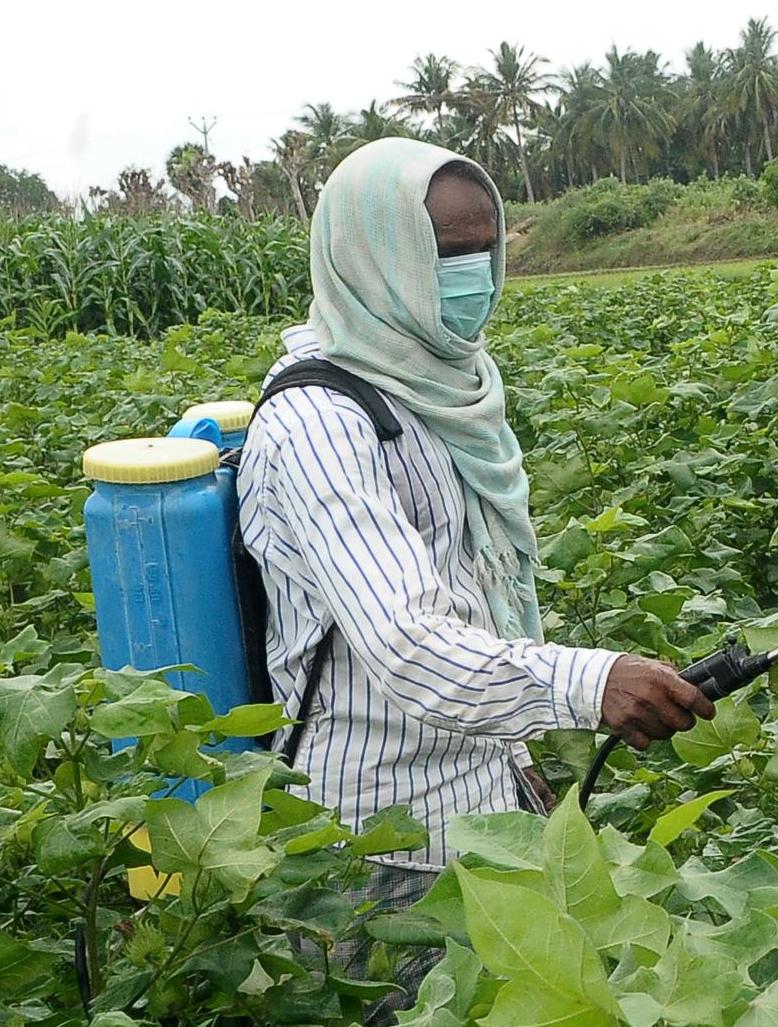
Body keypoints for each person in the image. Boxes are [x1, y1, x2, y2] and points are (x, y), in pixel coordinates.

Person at [235, 137, 714, 1013]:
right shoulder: (317, 424)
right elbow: (411, 645)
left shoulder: (437, 380)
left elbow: (471, 589)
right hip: (378, 845)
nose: (472, 274)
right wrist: (592, 679)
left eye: (484, 248)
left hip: (489, 793)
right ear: (373, 255)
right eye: (444, 253)